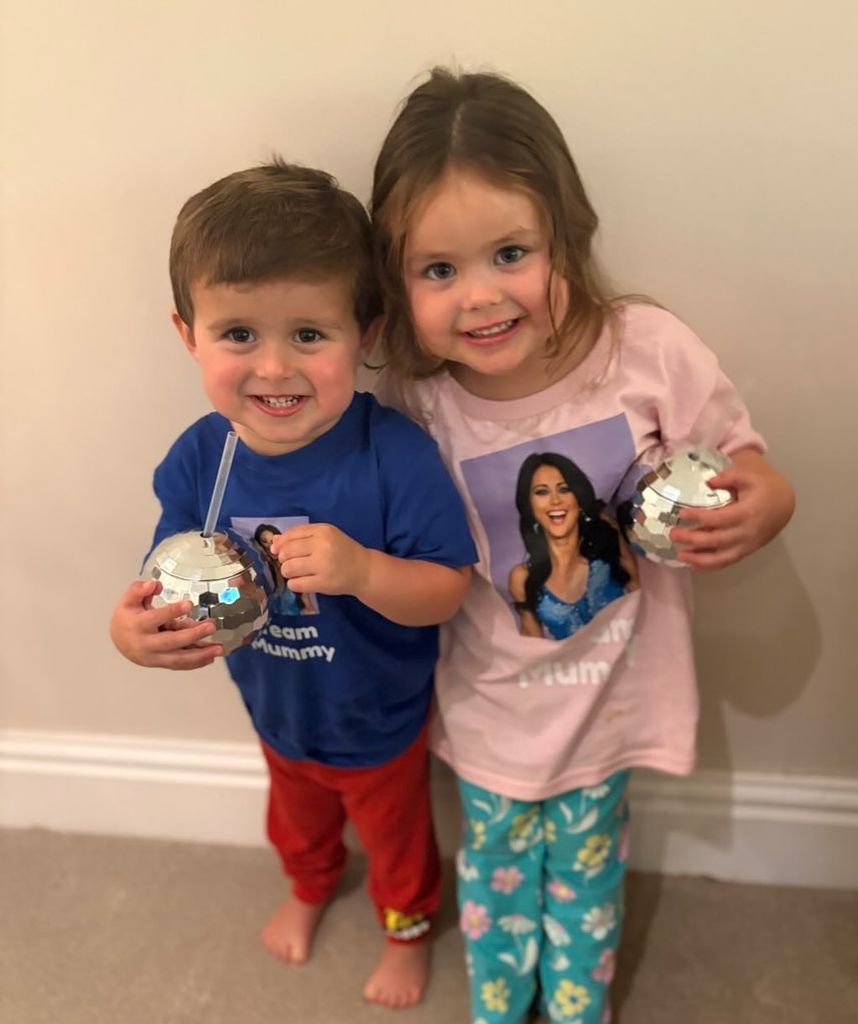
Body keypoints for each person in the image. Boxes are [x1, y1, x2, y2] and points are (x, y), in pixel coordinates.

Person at [370, 67, 795, 1024]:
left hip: (613, 705)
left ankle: (576, 1006)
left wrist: (764, 504)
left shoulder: (644, 350)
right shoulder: (417, 406)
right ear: (396, 282)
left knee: (587, 884)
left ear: (568, 234)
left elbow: (749, 464)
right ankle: (497, 1007)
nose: (479, 297)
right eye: (439, 270)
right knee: (496, 882)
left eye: (510, 252)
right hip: (490, 709)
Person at [109, 159, 477, 1009]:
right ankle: (311, 885)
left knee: (399, 842)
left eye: (309, 334)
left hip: (380, 717)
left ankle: (407, 928)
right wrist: (132, 631)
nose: (274, 367)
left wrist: (363, 570)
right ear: (187, 334)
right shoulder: (200, 457)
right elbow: (163, 575)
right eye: (238, 334)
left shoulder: (394, 456)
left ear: (368, 335)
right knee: (297, 821)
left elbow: (447, 590)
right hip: (276, 708)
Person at [508, 452, 637, 640]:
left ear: (579, 498)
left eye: (564, 489)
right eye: (542, 492)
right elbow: (533, 647)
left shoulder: (608, 537)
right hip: (576, 669)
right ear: (529, 506)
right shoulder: (521, 578)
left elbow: (641, 595)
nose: (555, 501)